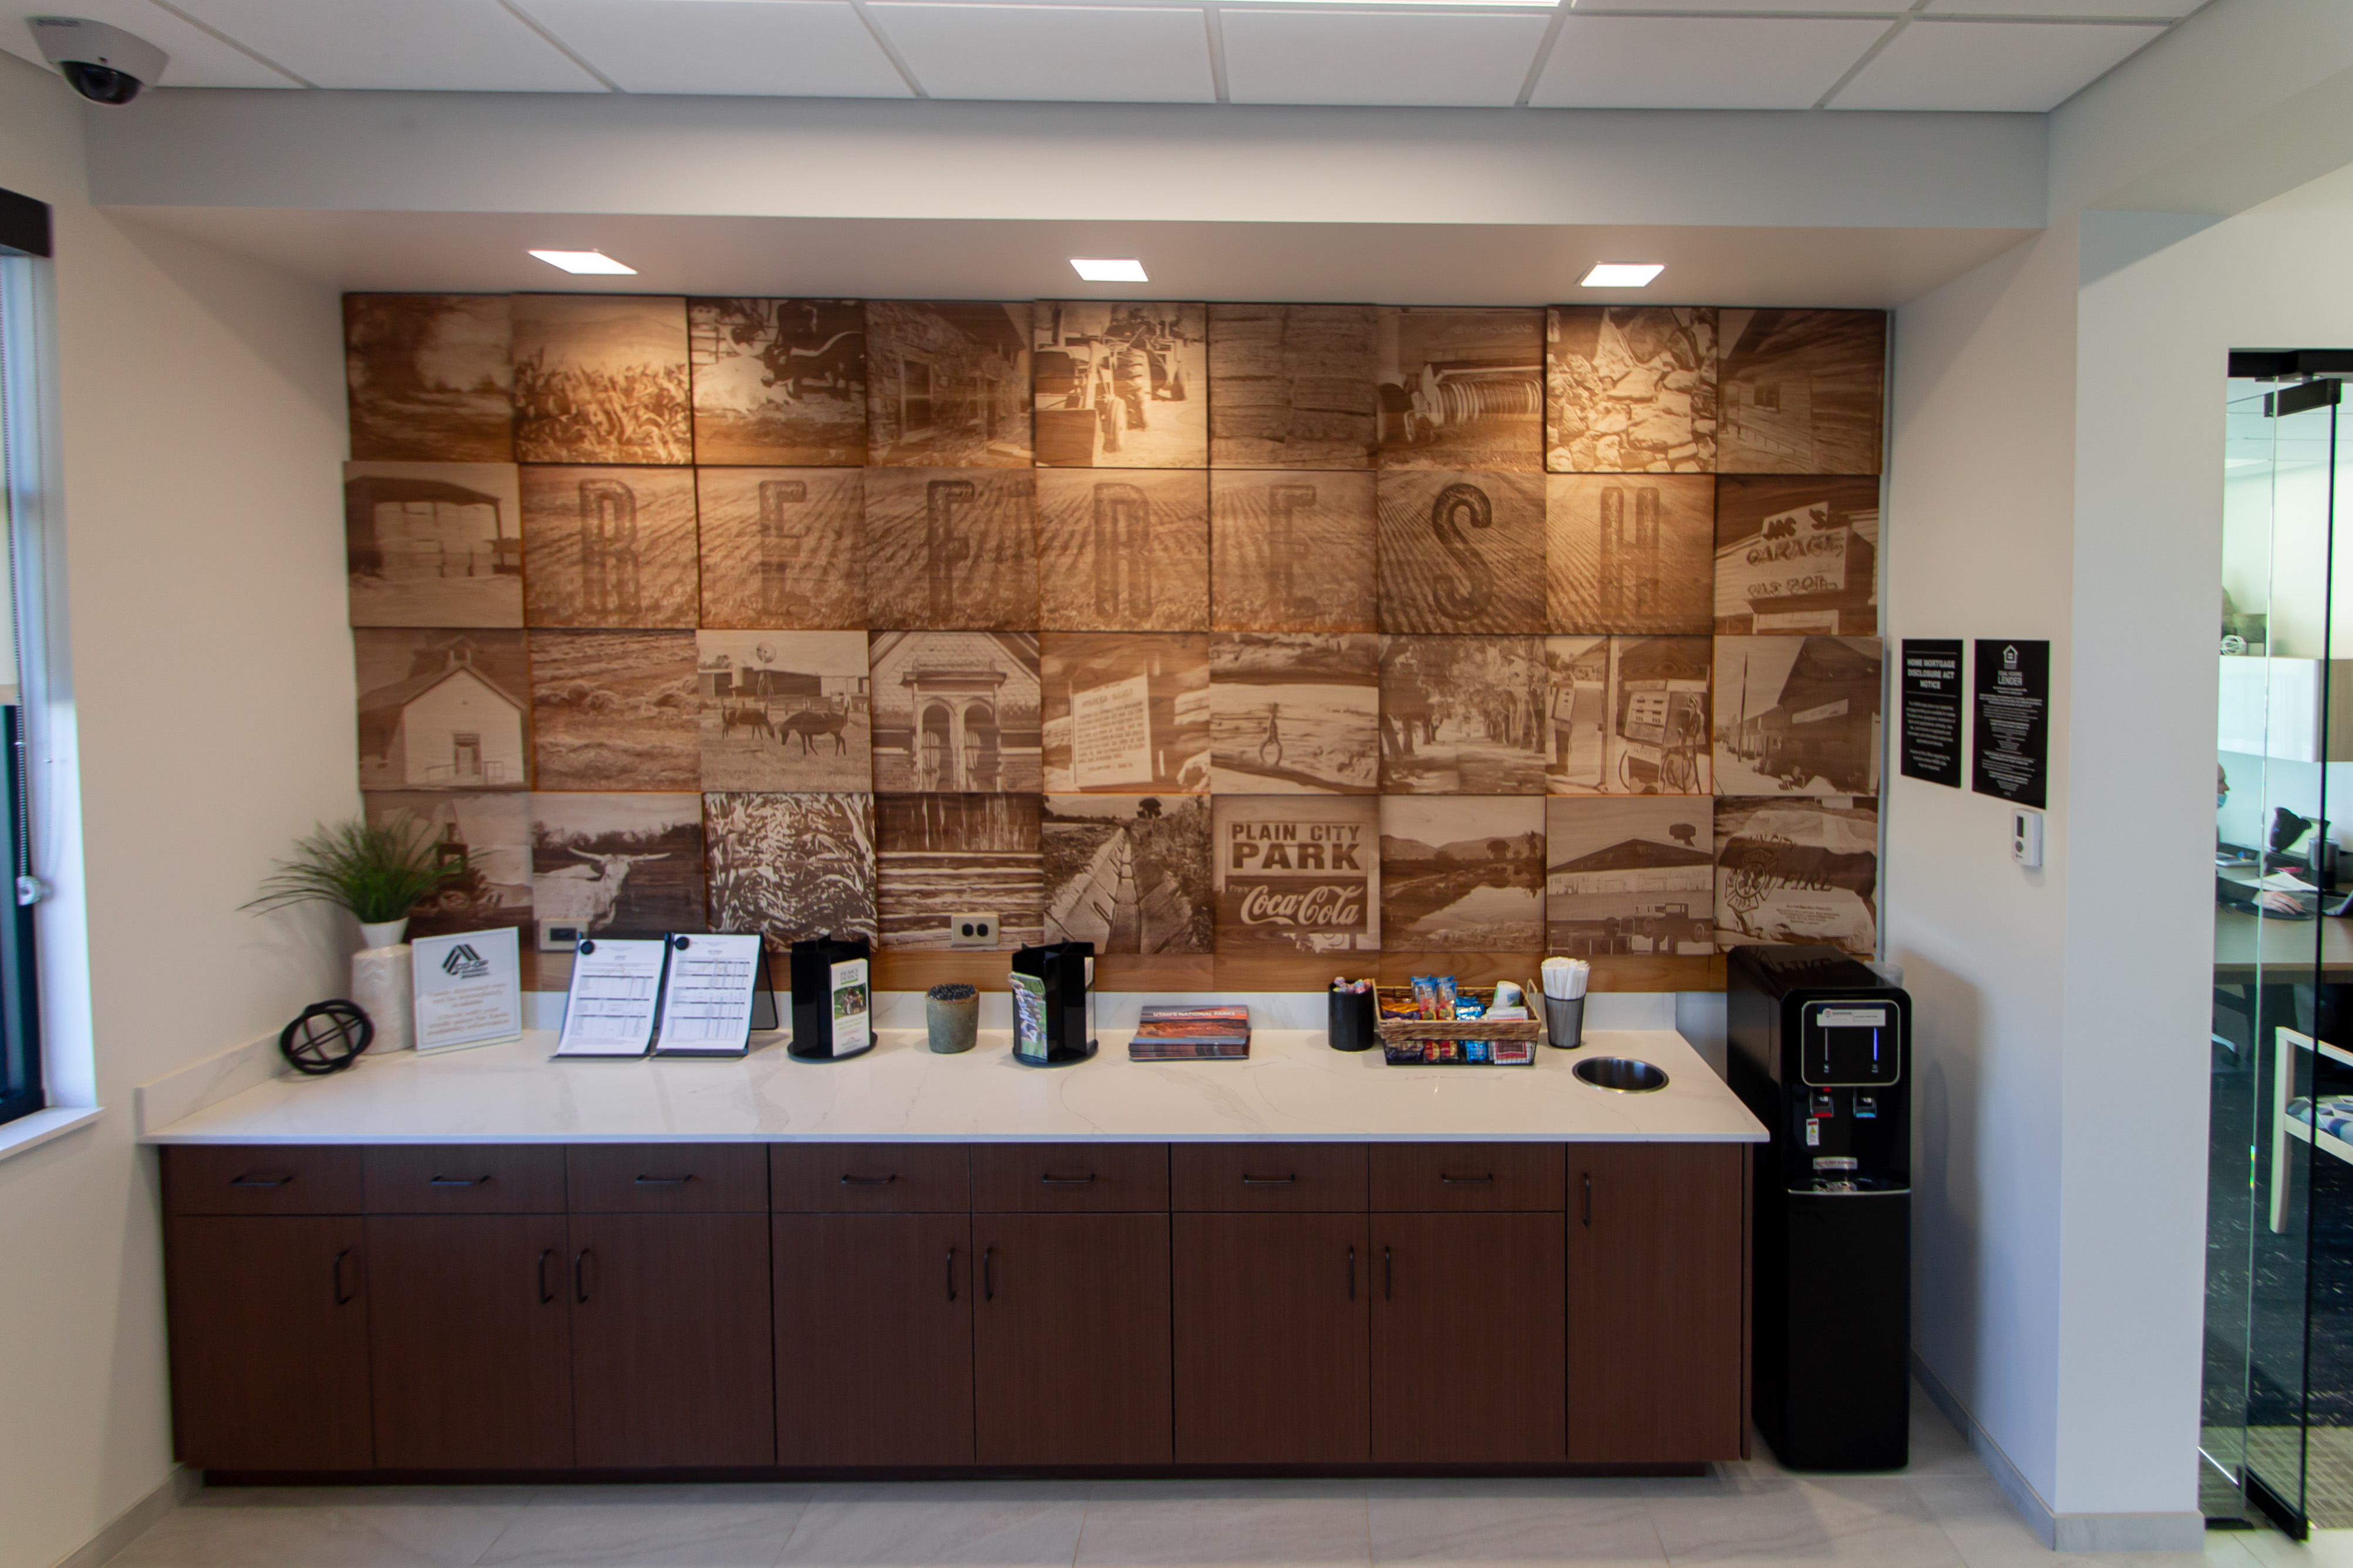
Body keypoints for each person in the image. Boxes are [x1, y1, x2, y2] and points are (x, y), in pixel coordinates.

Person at [1259, 703, 1284, 771]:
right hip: (1272, 734)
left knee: (1279, 748)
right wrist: (1271, 734)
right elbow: (1270, 725)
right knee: (1279, 748)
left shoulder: (1273, 715)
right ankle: (1274, 763)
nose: (1278, 710)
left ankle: (1272, 762)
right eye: (1276, 708)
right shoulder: (1272, 716)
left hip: (1273, 733)